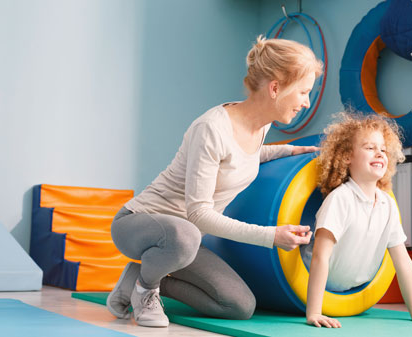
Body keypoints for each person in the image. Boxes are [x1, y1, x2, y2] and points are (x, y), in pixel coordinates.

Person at [107, 36, 323, 327]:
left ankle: (137, 279)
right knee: (187, 234)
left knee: (238, 305)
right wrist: (271, 236)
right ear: (275, 88)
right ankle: (146, 291)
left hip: (185, 240)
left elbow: (237, 157)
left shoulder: (261, 125)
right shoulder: (211, 128)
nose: (306, 102)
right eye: (303, 92)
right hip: (139, 224)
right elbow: (199, 215)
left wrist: (286, 150)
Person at [305, 113, 412, 328]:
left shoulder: (387, 204)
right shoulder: (340, 199)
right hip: (317, 281)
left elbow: (402, 262)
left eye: (383, 149)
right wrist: (314, 312)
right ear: (347, 156)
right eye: (370, 148)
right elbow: (319, 256)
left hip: (353, 288)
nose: (379, 154)